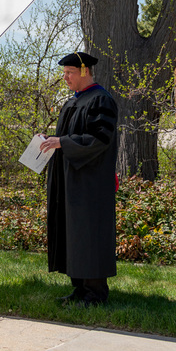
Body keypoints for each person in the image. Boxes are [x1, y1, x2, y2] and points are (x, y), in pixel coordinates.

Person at [39, 52, 119, 307]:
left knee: (89, 234)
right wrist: (51, 140)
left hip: (90, 182)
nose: (66, 78)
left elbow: (100, 139)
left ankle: (95, 294)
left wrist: (62, 141)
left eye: (69, 73)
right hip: (70, 179)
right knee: (72, 233)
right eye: (64, 74)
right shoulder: (74, 101)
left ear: (85, 71)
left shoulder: (101, 101)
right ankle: (80, 289)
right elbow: (70, 137)